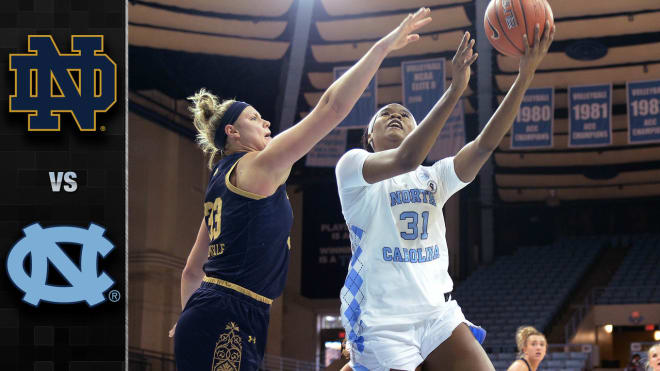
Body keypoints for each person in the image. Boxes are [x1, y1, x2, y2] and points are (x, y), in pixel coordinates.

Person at [170, 8, 434, 371]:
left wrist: (188, 319)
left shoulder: (220, 184)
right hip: (228, 314)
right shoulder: (258, 165)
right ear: (232, 132)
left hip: (218, 313)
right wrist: (383, 48)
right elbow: (331, 107)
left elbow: (191, 271)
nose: (264, 122)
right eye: (252, 118)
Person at [335, 19, 555, 371]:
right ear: (370, 137)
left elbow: (483, 145)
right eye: (385, 115)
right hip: (380, 318)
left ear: (415, 127)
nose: (395, 116)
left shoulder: (434, 176)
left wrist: (525, 74)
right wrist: (455, 90)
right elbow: (409, 156)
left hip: (435, 312)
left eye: (404, 115)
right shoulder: (353, 169)